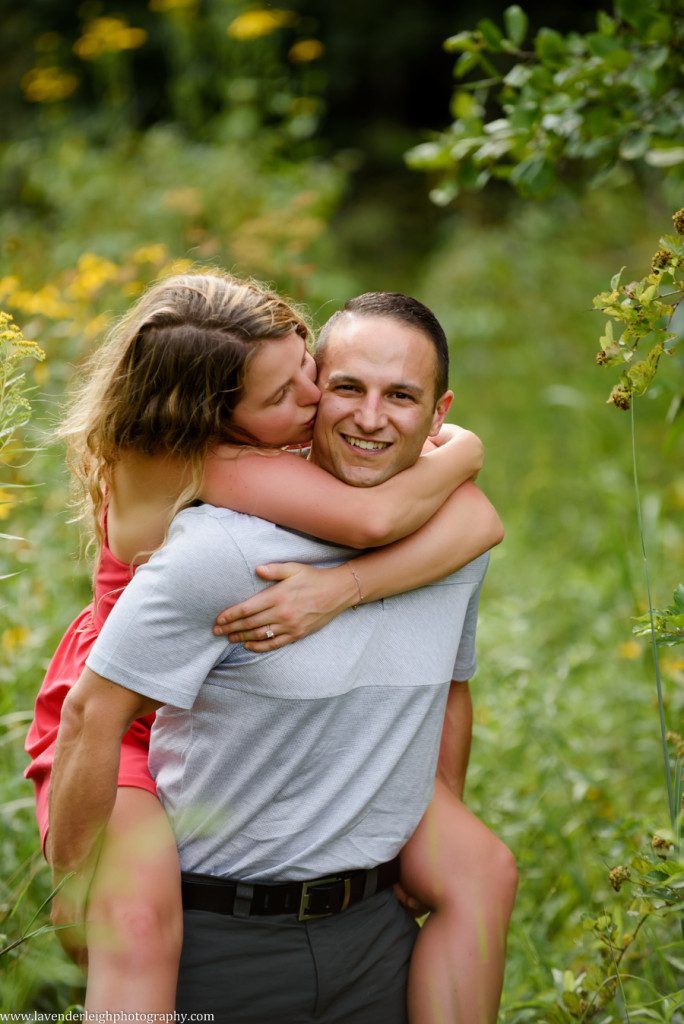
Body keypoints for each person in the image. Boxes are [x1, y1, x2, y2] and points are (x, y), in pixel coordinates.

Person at [26, 272, 506, 1018]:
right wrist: (462, 451)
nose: (315, 402)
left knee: (483, 867)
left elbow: (473, 531)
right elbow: (377, 521)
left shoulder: (265, 449)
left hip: (203, 692)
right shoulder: (213, 465)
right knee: (134, 925)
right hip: (125, 706)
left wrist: (343, 586)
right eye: (285, 396)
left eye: (307, 371)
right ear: (218, 414)